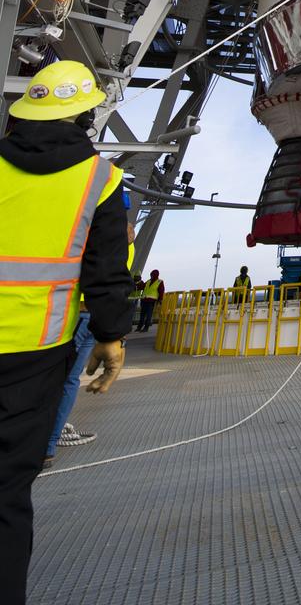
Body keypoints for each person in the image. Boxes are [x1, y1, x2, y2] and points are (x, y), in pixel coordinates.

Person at [0, 60, 132, 603]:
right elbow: (104, 273)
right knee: (7, 493)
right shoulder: (100, 178)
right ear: (86, 114)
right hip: (37, 353)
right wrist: (111, 336)